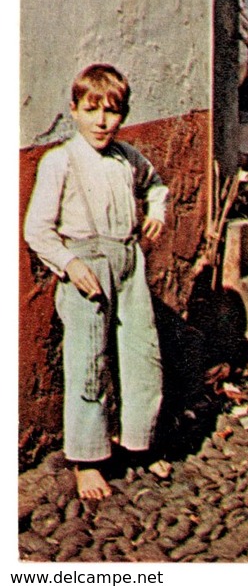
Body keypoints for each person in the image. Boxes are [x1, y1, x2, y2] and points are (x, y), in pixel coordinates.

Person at [24, 64, 169, 500]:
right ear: (74, 110)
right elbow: (37, 229)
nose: (102, 122)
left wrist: (157, 212)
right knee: (89, 361)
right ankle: (87, 459)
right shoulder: (60, 161)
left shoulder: (127, 158)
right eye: (92, 111)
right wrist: (69, 265)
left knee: (142, 353)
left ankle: (138, 442)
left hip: (129, 263)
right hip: (86, 269)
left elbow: (156, 185)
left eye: (113, 112)